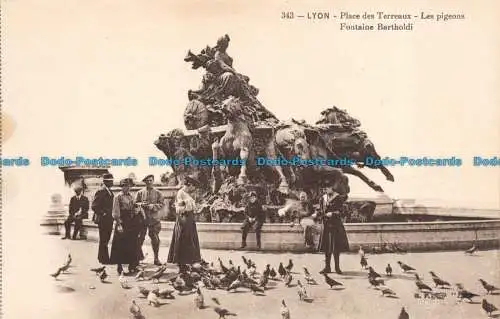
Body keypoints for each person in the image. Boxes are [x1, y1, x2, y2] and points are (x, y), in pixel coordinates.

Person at [316, 174, 350, 274]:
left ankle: (337, 268)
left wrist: (333, 213)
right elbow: (321, 210)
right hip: (326, 226)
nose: (325, 190)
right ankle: (327, 268)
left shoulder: (338, 198)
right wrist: (317, 214)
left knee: (335, 248)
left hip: (336, 226)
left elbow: (343, 212)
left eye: (326, 188)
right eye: (323, 189)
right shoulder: (322, 198)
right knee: (327, 247)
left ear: (332, 188)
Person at [167, 175, 202, 273]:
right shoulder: (180, 193)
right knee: (183, 240)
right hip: (183, 219)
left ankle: (188, 262)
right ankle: (181, 264)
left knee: (190, 241)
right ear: (189, 184)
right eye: (193, 186)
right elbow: (178, 209)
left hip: (189, 219)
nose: (194, 188)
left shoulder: (187, 194)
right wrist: (187, 205)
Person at [110, 178, 142, 275]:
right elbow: (115, 212)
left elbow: (133, 208)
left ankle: (132, 266)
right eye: (125, 186)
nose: (128, 188)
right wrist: (119, 224)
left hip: (130, 222)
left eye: (129, 186)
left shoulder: (131, 196)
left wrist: (137, 208)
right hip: (122, 221)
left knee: (132, 244)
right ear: (122, 187)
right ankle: (119, 267)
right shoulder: (118, 197)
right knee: (120, 245)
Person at [135, 174, 165, 266]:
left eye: (150, 180)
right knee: (140, 238)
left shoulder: (158, 193)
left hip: (154, 219)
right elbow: (135, 204)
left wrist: (153, 206)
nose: (149, 182)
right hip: (142, 219)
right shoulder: (140, 192)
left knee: (155, 239)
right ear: (145, 182)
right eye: (147, 181)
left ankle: (156, 258)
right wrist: (141, 204)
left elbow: (162, 204)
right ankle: (137, 258)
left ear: (153, 181)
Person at [91, 173, 115, 264]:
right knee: (104, 239)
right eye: (111, 181)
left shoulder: (109, 191)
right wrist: (104, 213)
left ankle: (102, 257)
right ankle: (104, 259)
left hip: (108, 219)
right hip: (103, 220)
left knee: (106, 239)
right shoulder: (101, 191)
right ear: (106, 182)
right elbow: (94, 206)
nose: (112, 182)